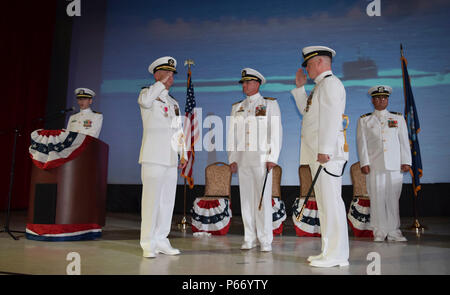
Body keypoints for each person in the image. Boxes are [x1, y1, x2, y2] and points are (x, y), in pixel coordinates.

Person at [291, 46, 349, 267]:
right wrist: (299, 89)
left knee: (331, 203)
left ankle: (337, 255)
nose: (306, 68)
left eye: (308, 64)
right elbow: (309, 115)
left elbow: (333, 119)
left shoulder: (331, 84)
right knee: (324, 205)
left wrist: (325, 148)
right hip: (319, 155)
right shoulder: (319, 87)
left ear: (318, 62)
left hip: (327, 155)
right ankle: (328, 251)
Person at [227, 68, 283, 252]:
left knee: (262, 200)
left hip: (262, 159)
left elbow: (275, 132)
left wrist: (272, 157)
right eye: (243, 82)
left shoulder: (269, 104)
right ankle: (249, 237)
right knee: (246, 201)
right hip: (243, 160)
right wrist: (232, 158)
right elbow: (231, 136)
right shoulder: (237, 107)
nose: (244, 85)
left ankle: (265, 239)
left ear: (257, 84)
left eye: (248, 82)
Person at [138, 56, 187, 258]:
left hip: (169, 159)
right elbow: (146, 100)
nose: (170, 77)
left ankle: (161, 240)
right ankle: (148, 243)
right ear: (157, 75)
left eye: (172, 74)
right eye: (166, 73)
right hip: (152, 157)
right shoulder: (147, 94)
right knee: (151, 202)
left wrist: (182, 154)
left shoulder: (174, 102)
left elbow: (178, 129)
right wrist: (159, 84)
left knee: (167, 202)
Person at [357, 85, 411, 242]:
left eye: (384, 98)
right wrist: (364, 162)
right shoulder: (365, 120)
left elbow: (403, 142)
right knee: (377, 198)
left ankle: (394, 231)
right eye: (378, 98)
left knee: (393, 198)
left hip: (395, 165)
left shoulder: (398, 118)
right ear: (373, 100)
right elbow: (362, 144)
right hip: (375, 165)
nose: (382, 100)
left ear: (387, 99)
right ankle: (379, 231)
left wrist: (406, 161)